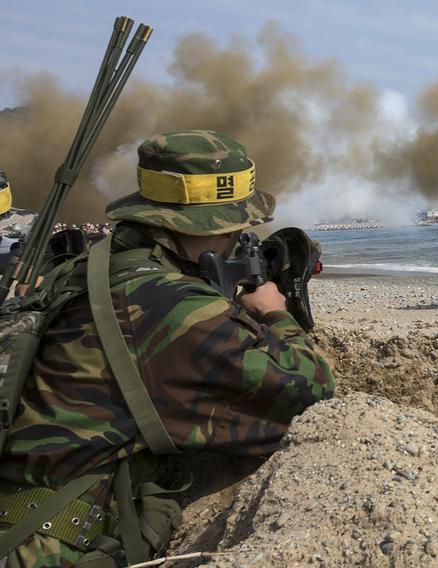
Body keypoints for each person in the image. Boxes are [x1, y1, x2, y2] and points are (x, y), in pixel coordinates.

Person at [0, 130, 335, 567]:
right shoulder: (169, 303)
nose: (237, 237)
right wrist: (274, 313)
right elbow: (311, 395)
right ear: (191, 227)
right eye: (232, 227)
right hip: (45, 548)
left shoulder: (91, 266)